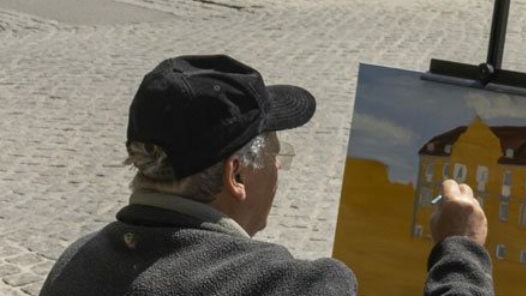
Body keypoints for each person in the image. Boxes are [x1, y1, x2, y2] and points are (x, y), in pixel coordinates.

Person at [39, 55, 493, 296]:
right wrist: (463, 251)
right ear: (236, 173)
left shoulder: (75, 266)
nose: (279, 168)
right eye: (277, 153)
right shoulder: (294, 287)